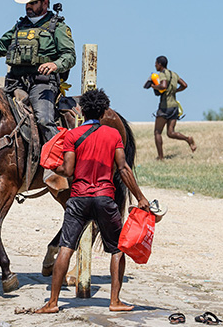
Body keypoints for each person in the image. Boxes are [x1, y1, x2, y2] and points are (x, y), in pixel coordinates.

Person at [36, 89, 150, 314]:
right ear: (102, 111)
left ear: (83, 110)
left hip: (78, 200)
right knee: (117, 250)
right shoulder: (113, 136)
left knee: (66, 249)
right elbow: (123, 169)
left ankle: (52, 302)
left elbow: (67, 171)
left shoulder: (72, 135)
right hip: (104, 199)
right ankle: (115, 301)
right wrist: (140, 197)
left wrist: (51, 165)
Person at [0, 0, 75, 144]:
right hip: (15, 84)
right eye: (27, 2)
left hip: (42, 84)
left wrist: (55, 65)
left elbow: (69, 56)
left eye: (33, 3)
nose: (28, 6)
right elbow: (0, 46)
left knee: (43, 120)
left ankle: (60, 158)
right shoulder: (19, 26)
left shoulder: (58, 27)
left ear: (45, 2)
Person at [149, 55, 196, 160]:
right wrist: (176, 91)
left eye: (156, 63)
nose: (155, 65)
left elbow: (164, 86)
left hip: (165, 107)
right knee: (171, 133)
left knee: (157, 132)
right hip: (174, 106)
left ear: (160, 64)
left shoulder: (162, 74)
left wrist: (154, 86)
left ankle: (160, 157)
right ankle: (188, 139)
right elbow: (184, 85)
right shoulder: (174, 74)